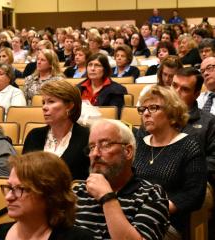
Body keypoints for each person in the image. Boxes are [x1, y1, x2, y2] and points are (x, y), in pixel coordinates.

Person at [74, 119, 169, 239]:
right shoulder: (78, 193)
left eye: (105, 145)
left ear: (128, 151)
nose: (95, 154)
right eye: (92, 147)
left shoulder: (151, 195)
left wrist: (107, 197)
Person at [134, 85, 207, 238]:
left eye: (153, 108)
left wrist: (155, 210)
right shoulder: (139, 143)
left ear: (172, 113)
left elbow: (194, 195)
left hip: (168, 222)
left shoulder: (189, 145)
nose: (146, 113)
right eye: (143, 109)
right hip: (133, 215)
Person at [0, 151, 95, 240]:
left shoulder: (79, 238)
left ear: (50, 194)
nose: (8, 197)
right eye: (10, 188)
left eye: (21, 189)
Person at [23, 80, 90, 180]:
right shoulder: (34, 135)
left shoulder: (87, 137)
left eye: (51, 101)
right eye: (43, 102)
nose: (44, 107)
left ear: (69, 106)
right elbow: (23, 174)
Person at [172, 67, 215, 190]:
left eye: (184, 89)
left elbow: (213, 159)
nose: (176, 92)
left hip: (191, 182)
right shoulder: (156, 115)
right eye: (174, 85)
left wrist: (187, 172)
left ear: (196, 94)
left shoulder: (209, 121)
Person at [77, 53, 127, 117]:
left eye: (97, 65)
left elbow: (114, 116)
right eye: (90, 65)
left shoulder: (117, 90)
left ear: (105, 69)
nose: (92, 68)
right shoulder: (78, 88)